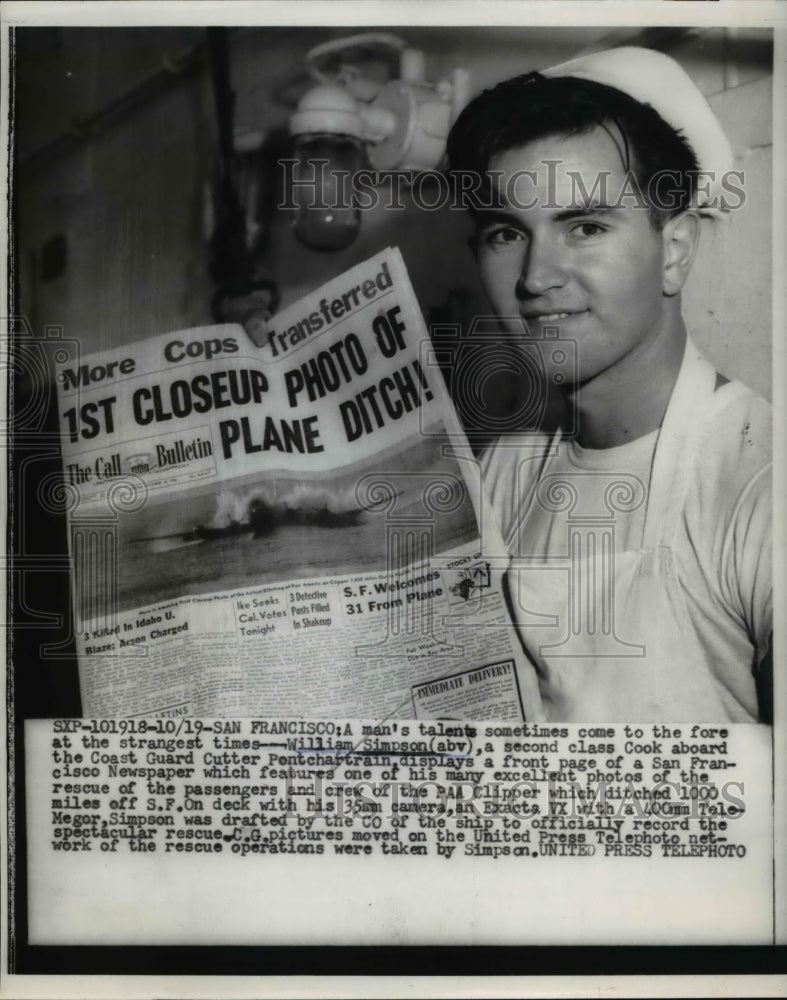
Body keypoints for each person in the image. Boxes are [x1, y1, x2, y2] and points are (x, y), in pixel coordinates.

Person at [445, 47, 772, 722]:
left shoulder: (759, 484)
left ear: (674, 251)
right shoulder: (505, 469)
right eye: (507, 232)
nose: (537, 276)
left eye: (585, 226)